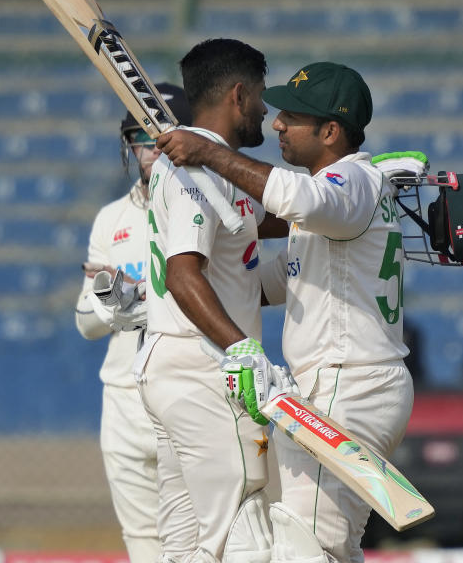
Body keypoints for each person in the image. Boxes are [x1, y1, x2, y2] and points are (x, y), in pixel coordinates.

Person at [156, 62, 415, 563]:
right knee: (327, 545)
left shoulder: (347, 182)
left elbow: (298, 198)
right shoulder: (336, 200)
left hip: (348, 383)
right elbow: (265, 286)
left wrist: (209, 153)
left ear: (331, 131)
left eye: (291, 116)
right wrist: (175, 283)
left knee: (304, 546)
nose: (276, 124)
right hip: (347, 384)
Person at [135, 38, 288, 563]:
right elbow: (183, 275)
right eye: (262, 97)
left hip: (175, 368)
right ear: (239, 95)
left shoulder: (216, 170)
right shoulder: (191, 172)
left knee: (185, 544)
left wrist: (358, 190)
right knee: (244, 537)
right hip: (201, 368)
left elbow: (290, 218)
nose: (266, 112)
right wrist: (243, 349)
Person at [74, 83, 193, 563]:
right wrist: (115, 298)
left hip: (181, 392)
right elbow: (86, 323)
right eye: (136, 139)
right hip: (122, 399)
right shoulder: (110, 218)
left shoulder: (199, 205)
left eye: (155, 136)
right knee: (142, 545)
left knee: (191, 541)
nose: (146, 149)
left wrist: (135, 298)